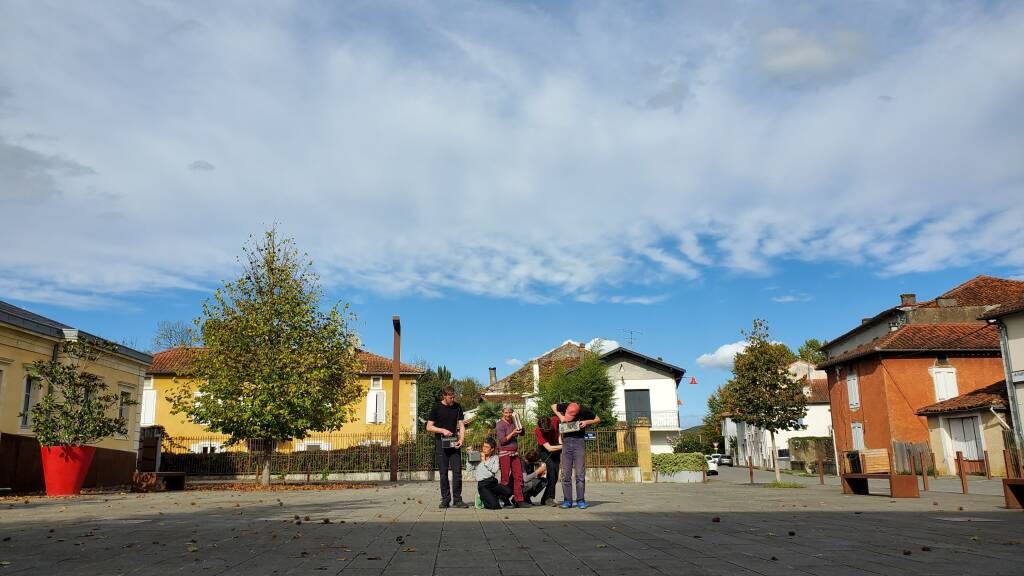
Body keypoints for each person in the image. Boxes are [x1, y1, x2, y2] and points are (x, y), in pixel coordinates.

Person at [552, 402, 600, 509]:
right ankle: (567, 501)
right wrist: (561, 416)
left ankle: (581, 500)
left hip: (579, 441)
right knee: (566, 474)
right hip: (567, 441)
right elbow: (553, 406)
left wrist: (586, 422)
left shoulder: (584, 410)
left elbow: (598, 419)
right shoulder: (565, 406)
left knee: (580, 473)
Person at [426, 386, 468, 508]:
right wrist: (442, 430)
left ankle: (457, 499)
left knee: (457, 472)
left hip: (454, 442)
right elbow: (429, 427)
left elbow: (461, 425)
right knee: (443, 473)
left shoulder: (458, 406)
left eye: (454, 397)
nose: (452, 399)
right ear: (444, 396)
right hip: (441, 443)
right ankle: (445, 499)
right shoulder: (436, 407)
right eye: (450, 397)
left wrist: (461, 439)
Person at [495, 404, 528, 506]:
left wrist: (519, 424)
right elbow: (502, 440)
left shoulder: (514, 422)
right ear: (502, 412)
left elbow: (522, 433)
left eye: (510, 412)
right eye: (506, 412)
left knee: (518, 476)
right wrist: (512, 434)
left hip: (515, 453)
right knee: (505, 478)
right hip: (505, 454)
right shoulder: (500, 424)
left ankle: (519, 500)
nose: (508, 414)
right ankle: (503, 498)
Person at [475, 437, 514, 509]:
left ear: (492, 449)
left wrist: (485, 461)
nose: (484, 448)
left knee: (509, 491)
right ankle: (482, 498)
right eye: (484, 446)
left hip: (492, 482)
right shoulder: (478, 457)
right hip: (483, 484)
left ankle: (494, 497)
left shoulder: (495, 458)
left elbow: (494, 470)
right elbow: (469, 469)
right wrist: (470, 459)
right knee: (495, 506)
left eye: (487, 447)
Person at [534, 414, 562, 506]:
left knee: (555, 476)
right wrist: (564, 446)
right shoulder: (538, 430)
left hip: (557, 448)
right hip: (545, 451)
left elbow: (559, 431)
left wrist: (560, 441)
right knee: (552, 472)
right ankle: (550, 498)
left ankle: (545, 499)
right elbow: (549, 448)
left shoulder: (555, 420)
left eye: (548, 429)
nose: (546, 431)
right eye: (544, 430)